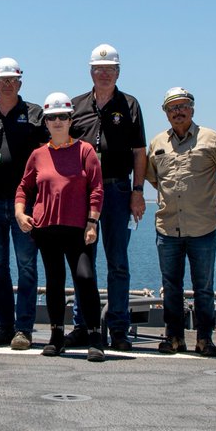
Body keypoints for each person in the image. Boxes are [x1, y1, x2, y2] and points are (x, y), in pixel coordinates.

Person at [15, 93, 106, 361]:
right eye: (52, 117)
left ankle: (95, 337)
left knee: (85, 279)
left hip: (79, 229)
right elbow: (24, 187)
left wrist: (92, 223)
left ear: (70, 119)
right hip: (47, 229)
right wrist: (21, 214)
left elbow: (96, 189)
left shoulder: (85, 151)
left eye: (63, 117)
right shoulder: (38, 155)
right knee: (54, 282)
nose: (57, 121)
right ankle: (56, 337)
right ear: (46, 121)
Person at [69, 43, 147, 351]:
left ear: (118, 72)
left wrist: (138, 192)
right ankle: (82, 325)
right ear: (90, 72)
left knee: (118, 262)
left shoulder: (130, 105)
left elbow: (139, 153)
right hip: (83, 192)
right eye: (99, 69)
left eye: (110, 70)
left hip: (117, 190)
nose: (104, 74)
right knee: (83, 261)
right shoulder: (74, 106)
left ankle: (118, 328)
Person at [0, 57, 48, 349]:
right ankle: (4, 326)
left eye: (12, 79)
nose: (7, 84)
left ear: (20, 83)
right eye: (2, 80)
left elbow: (50, 156)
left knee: (27, 266)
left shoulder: (36, 115)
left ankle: (24, 329)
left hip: (26, 204)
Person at [146, 87, 216, 357]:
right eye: (172, 108)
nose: (178, 111)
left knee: (204, 288)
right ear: (166, 113)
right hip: (168, 227)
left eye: (183, 106)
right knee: (171, 286)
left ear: (192, 109)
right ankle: (174, 337)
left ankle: (205, 338)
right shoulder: (158, 143)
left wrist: (213, 193)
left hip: (202, 227)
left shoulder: (211, 139)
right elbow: (152, 176)